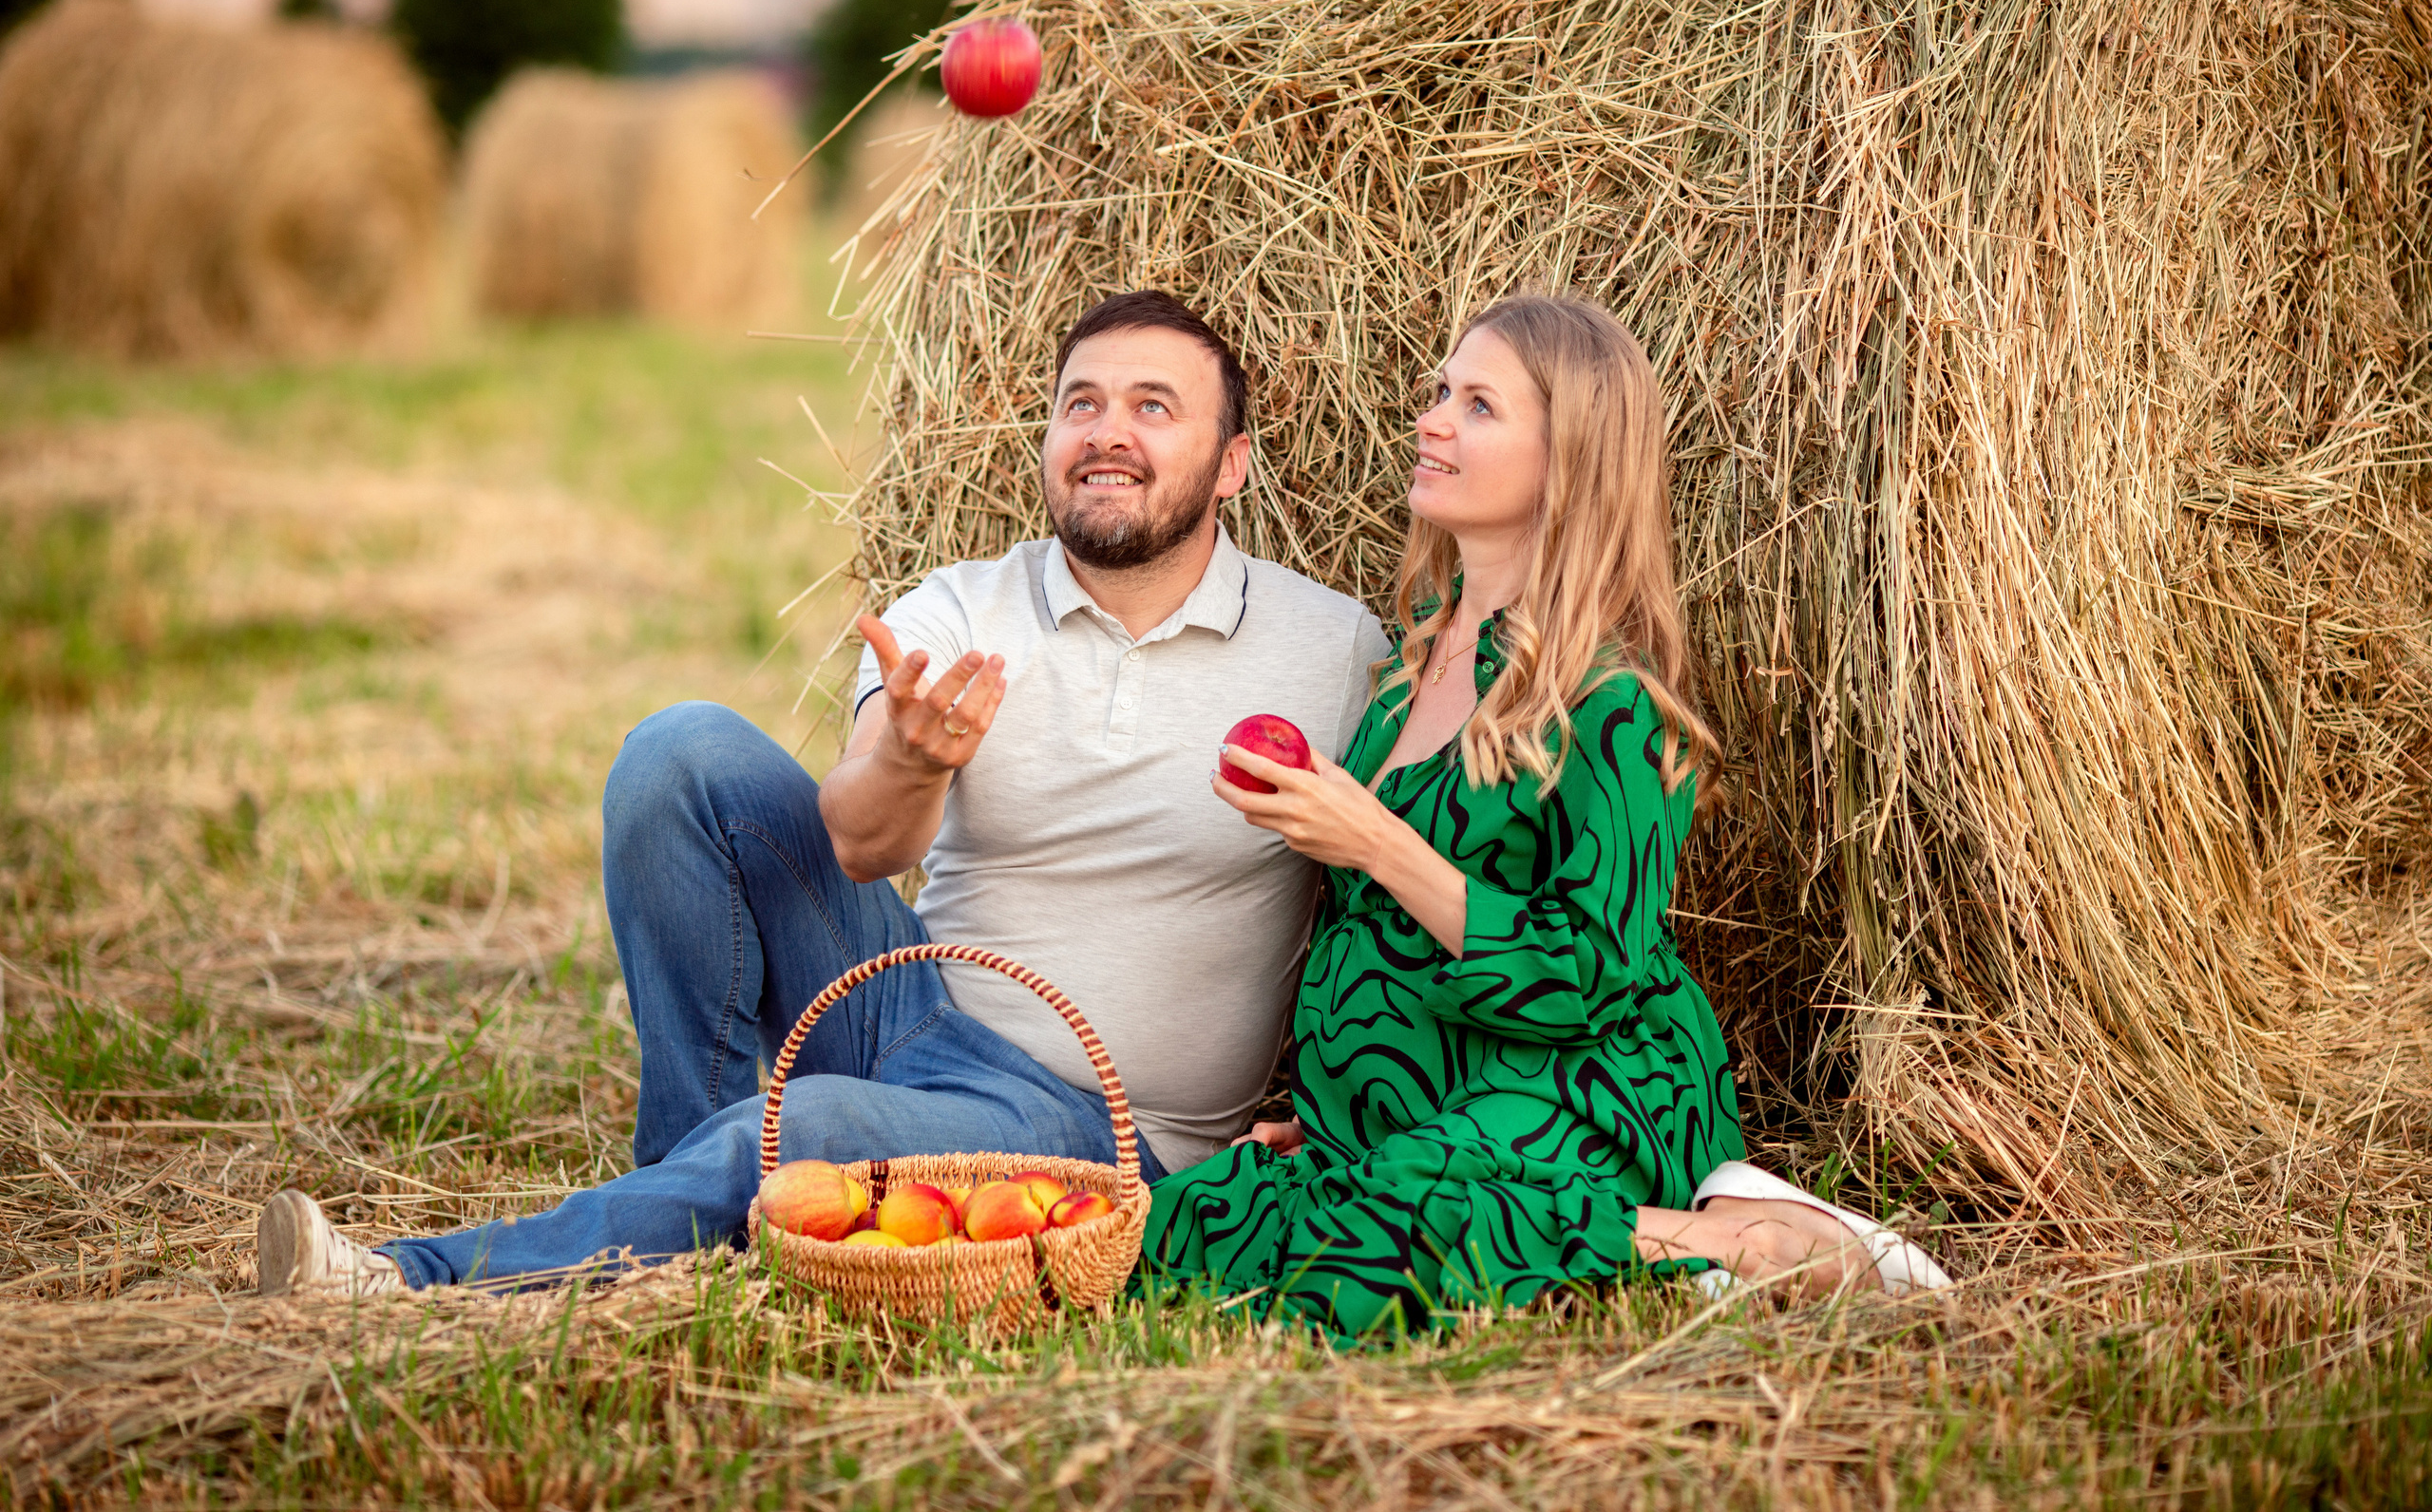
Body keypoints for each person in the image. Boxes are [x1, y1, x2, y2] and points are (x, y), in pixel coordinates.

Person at [255, 290, 1388, 1295]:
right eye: (1080, 403)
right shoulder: (956, 607)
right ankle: (691, 1182)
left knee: (810, 1125)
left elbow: (1400, 879)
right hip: (910, 1004)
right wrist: (913, 754)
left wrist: (1341, 1114)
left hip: (1090, 1116)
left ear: (1232, 460)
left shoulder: (1334, 651)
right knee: (679, 750)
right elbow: (856, 839)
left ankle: (405, 1278)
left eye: (1153, 406)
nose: (1107, 434)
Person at [1142, 294, 1952, 1339]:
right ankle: (1436, 1190)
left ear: (1567, 460)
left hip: (1576, 1079)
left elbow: (1588, 973)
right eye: (1441, 392)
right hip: (1415, 1100)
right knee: (1189, 1225)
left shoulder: (1612, 702)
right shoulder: (1405, 669)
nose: (1432, 419)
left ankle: (1744, 1238)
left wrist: (1376, 841)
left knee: (1377, 1252)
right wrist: (1340, 1106)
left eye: (1477, 405)